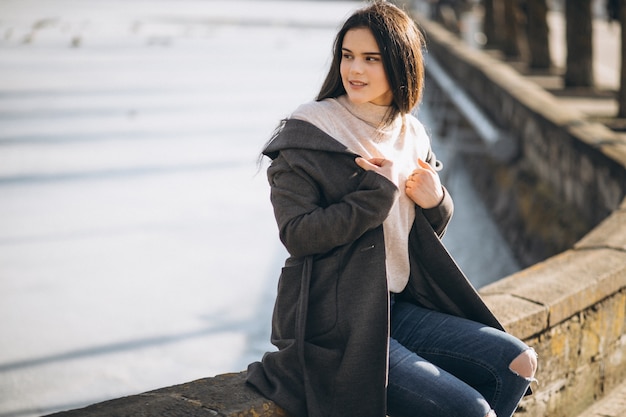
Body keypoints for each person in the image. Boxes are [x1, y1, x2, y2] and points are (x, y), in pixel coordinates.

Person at [246, 1, 537, 416]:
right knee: (471, 410)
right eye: (347, 56)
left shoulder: (411, 132)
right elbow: (298, 234)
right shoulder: (310, 130)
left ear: (401, 64)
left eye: (371, 59)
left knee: (518, 362)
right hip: (338, 322)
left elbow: (416, 231)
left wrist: (437, 200)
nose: (354, 70)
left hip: (398, 306)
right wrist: (373, 195)